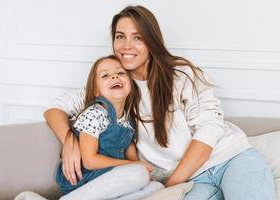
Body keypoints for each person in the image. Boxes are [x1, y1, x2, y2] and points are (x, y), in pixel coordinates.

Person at [44, 5, 276, 200]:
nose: (126, 46)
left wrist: (172, 186)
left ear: (152, 41)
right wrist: (69, 141)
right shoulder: (116, 84)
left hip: (229, 159)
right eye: (120, 36)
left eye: (137, 37)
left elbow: (209, 130)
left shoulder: (181, 75)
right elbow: (55, 108)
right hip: (192, 183)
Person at [56, 55, 163, 199]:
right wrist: (134, 166)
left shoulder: (128, 121)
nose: (114, 77)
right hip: (84, 178)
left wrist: (138, 166)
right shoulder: (94, 114)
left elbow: (132, 157)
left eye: (120, 73)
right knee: (139, 174)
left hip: (110, 176)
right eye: (105, 75)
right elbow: (89, 161)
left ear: (130, 85)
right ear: (96, 91)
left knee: (157, 187)